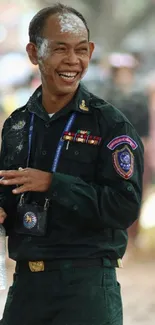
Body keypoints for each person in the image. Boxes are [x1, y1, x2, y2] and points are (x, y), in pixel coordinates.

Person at [0, 4, 143, 325]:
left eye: (81, 50)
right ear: (34, 52)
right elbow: (9, 194)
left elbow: (125, 206)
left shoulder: (109, 124)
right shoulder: (17, 125)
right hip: (26, 287)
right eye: (60, 49)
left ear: (91, 52)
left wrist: (54, 183)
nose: (73, 61)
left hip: (87, 287)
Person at [103, 52, 150, 246]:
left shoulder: (139, 97)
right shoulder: (107, 97)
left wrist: (143, 150)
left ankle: (132, 237)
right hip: (110, 152)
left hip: (136, 151)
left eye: (126, 71)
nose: (123, 75)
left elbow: (145, 127)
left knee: (135, 193)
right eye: (119, 71)